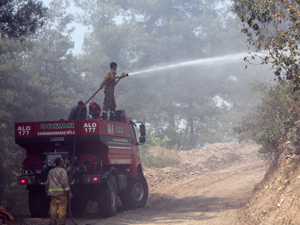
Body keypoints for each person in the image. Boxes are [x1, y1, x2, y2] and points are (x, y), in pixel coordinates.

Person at [45, 158, 73, 225]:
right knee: (62, 211)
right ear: (60, 163)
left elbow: (47, 183)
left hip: (53, 195)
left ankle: (52, 223)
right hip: (62, 195)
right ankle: (61, 224)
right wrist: (69, 192)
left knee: (53, 211)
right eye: (63, 161)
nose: (64, 162)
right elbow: (64, 182)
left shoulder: (51, 171)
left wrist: (46, 192)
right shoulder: (62, 171)